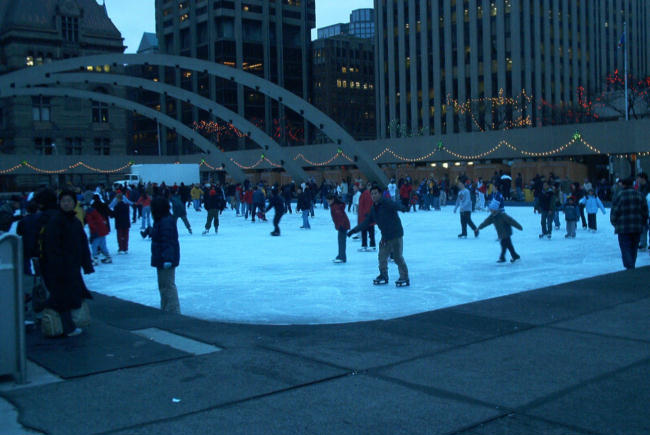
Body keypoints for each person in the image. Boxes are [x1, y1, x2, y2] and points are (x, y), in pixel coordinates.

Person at [40, 190, 94, 336]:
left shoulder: (75, 222)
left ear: (74, 203)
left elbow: (83, 245)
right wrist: (58, 267)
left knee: (70, 295)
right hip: (59, 268)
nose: (66, 203)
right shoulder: (56, 222)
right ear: (60, 203)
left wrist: (86, 264)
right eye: (64, 201)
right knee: (61, 297)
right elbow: (52, 248)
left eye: (69, 201)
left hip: (72, 267)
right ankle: (66, 327)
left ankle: (67, 326)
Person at [347, 185, 410, 287]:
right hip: (385, 237)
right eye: (372, 194)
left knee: (397, 258)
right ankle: (383, 275)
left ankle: (404, 277)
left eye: (376, 193)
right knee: (382, 257)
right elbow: (366, 222)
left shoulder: (386, 202)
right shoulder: (374, 209)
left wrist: (403, 208)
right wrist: (353, 231)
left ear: (380, 194)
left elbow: (395, 205)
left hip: (395, 234)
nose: (374, 195)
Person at [610, 177, 649, 270]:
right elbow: (645, 211)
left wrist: (615, 223)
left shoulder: (619, 195)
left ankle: (629, 265)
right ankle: (632, 264)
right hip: (637, 226)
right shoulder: (639, 195)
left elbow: (614, 212)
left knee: (625, 247)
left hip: (623, 226)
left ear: (623, 184)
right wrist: (642, 222)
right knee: (634, 247)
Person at [150, 196, 181, 313]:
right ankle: (166, 309)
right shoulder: (161, 220)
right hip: (161, 258)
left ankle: (173, 311)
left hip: (165, 259)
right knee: (164, 286)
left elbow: (168, 241)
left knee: (167, 286)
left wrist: (168, 259)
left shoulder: (165, 221)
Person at [477, 199, 522, 263]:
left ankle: (502, 257)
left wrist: (519, 226)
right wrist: (479, 227)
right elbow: (486, 222)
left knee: (504, 245)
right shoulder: (492, 216)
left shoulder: (502, 215)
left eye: (491, 209)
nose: (490, 210)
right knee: (509, 245)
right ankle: (515, 255)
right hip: (501, 233)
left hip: (506, 232)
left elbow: (511, 221)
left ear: (495, 209)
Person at [327, 194, 350, 263]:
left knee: (342, 242)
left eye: (329, 201)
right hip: (342, 225)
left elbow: (340, 217)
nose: (328, 202)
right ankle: (341, 255)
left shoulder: (335, 207)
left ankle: (342, 257)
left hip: (342, 226)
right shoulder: (334, 206)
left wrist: (340, 226)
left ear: (332, 200)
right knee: (341, 241)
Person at [357, 182, 376, 251]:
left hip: (365, 216)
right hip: (369, 216)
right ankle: (371, 245)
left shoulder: (366, 194)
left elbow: (364, 206)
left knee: (366, 231)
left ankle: (366, 245)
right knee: (370, 231)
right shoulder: (369, 194)